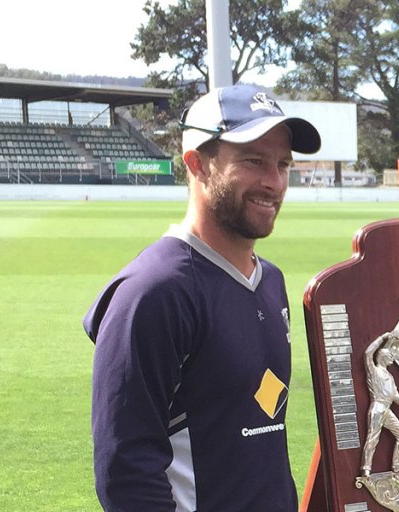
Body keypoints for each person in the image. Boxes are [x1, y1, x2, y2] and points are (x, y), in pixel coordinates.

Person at [83, 84, 321, 511]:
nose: (274, 182)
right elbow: (126, 474)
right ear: (197, 164)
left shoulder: (271, 281)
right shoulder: (154, 292)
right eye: (253, 160)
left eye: (283, 164)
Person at [360, 334, 399, 476]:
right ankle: (366, 468)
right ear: (383, 358)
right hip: (378, 407)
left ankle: (397, 464)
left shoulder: (389, 376)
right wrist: (383, 338)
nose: (392, 358)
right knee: (373, 437)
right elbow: (368, 353)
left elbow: (394, 394)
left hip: (387, 409)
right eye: (390, 356)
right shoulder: (374, 370)